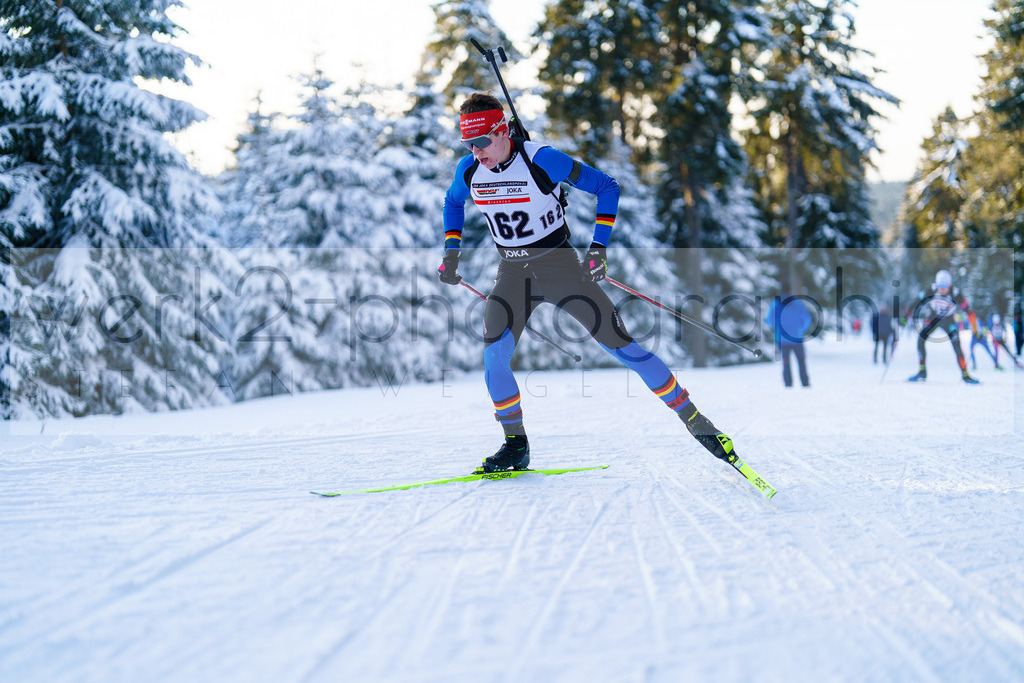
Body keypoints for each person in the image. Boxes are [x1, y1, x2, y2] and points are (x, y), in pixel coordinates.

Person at [439, 92, 739, 473]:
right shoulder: (469, 170)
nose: (476, 151)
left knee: (624, 349)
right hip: (513, 273)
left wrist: (598, 247)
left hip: (561, 268)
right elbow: (452, 203)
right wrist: (452, 251)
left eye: (482, 141)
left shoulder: (542, 159)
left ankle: (700, 425)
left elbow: (607, 188)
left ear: (502, 131)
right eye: (469, 143)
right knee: (493, 357)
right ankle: (516, 446)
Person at [908, 269, 979, 384]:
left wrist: (975, 329)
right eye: (939, 285)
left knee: (957, 346)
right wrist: (906, 315)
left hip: (949, 320)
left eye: (944, 285)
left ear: (949, 285)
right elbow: (916, 301)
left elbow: (969, 311)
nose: (941, 288)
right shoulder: (931, 289)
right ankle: (922, 372)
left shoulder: (955, 293)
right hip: (933, 317)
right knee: (920, 340)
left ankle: (965, 375)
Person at [765, 288, 812, 387]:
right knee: (801, 362)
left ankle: (788, 384)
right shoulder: (798, 304)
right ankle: (805, 383)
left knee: (786, 363)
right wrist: (801, 329)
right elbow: (807, 319)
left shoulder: (775, 304)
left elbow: (770, 320)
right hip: (797, 338)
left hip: (782, 340)